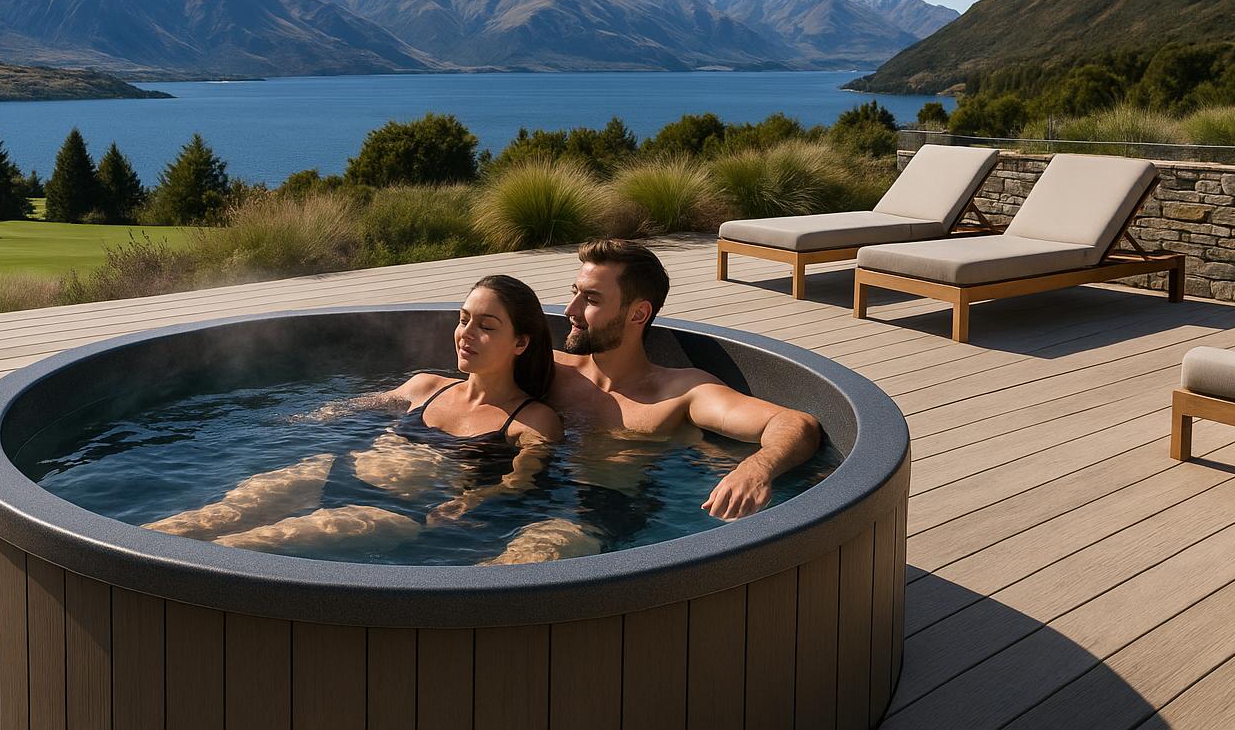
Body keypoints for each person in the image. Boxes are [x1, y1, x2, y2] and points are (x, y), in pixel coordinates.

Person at [145, 275, 563, 556]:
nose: (466, 333)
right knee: (199, 521)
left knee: (242, 547)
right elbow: (351, 406)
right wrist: (300, 419)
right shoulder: (425, 386)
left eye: (486, 326)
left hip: (394, 511)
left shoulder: (530, 420)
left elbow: (521, 482)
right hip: (330, 470)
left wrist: (473, 500)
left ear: (520, 343)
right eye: (463, 319)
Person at [548, 238, 821, 521]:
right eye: (575, 293)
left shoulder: (680, 392)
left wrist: (756, 468)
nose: (570, 310)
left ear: (638, 314)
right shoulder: (551, 369)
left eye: (591, 299)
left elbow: (796, 423)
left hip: (607, 516)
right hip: (543, 497)